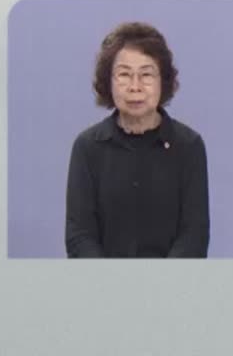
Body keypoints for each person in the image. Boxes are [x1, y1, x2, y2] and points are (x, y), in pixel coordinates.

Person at [64, 21, 209, 257]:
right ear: (108, 81)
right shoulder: (88, 147)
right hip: (102, 287)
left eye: (146, 75)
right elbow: (79, 235)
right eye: (124, 75)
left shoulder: (189, 146)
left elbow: (195, 234)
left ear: (163, 81)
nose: (135, 87)